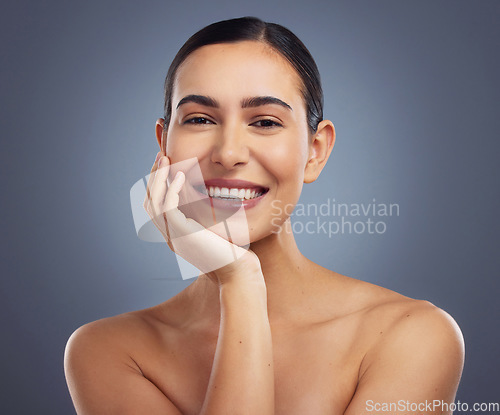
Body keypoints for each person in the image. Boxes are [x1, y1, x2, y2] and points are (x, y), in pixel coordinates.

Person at [64, 17, 464, 414]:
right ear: (163, 143)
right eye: (200, 119)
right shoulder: (107, 351)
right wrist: (239, 284)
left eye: (265, 122)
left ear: (316, 151)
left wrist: (239, 281)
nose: (229, 152)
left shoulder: (410, 335)